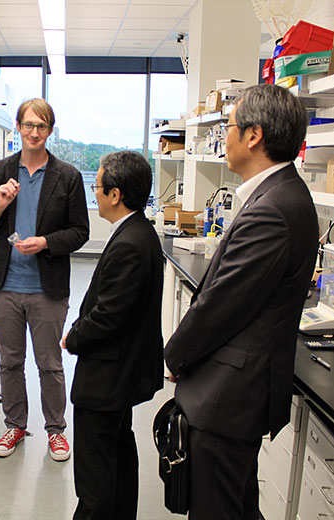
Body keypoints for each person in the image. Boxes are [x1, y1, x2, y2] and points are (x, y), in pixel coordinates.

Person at [164, 84, 319, 519]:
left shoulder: (273, 208)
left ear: (253, 136)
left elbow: (222, 305)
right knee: (234, 505)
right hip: (236, 393)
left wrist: (175, 357)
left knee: (216, 509)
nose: (225, 137)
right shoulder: (280, 195)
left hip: (228, 396)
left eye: (228, 127)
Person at [0, 98, 90, 461]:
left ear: (50, 131)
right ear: (18, 127)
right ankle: (15, 426)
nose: (34, 133)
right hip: (4, 285)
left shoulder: (67, 176)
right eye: (28, 125)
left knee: (49, 364)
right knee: (10, 362)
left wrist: (46, 242)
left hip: (47, 287)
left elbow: (80, 232)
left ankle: (56, 431)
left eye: (41, 127)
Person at [63, 150, 164, 519]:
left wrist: (73, 338)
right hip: (122, 377)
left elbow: (108, 317)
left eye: (98, 187)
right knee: (119, 460)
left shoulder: (129, 244)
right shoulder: (139, 233)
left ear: (116, 194)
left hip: (106, 381)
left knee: (95, 483)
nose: (95, 193)